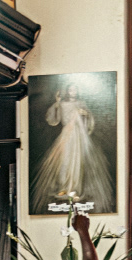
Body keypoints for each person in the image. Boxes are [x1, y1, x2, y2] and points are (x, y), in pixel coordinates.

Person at [31, 82, 114, 214]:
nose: (73, 92)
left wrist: (85, 114)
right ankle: (64, 187)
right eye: (70, 90)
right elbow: (54, 119)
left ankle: (75, 189)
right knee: (64, 161)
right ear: (67, 91)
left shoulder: (81, 103)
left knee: (79, 163)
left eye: (75, 90)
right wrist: (57, 103)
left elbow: (89, 119)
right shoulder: (63, 104)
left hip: (80, 138)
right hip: (67, 135)